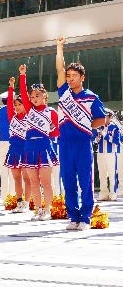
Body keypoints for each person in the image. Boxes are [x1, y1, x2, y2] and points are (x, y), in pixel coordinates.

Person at [56, 37, 107, 230]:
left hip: (83, 143)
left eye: (74, 76)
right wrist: (60, 47)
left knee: (85, 180)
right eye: (68, 75)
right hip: (65, 143)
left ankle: (85, 218)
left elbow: (101, 119)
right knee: (67, 180)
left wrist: (85, 126)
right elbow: (58, 69)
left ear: (82, 77)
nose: (70, 78)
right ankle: (73, 217)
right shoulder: (64, 94)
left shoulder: (91, 97)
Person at [18, 65, 58, 221]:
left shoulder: (52, 112)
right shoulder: (28, 109)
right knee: (33, 181)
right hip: (29, 147)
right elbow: (22, 91)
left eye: (37, 96)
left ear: (44, 96)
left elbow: (55, 132)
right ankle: (38, 209)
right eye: (32, 97)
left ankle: (48, 209)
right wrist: (22, 75)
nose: (34, 99)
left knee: (46, 182)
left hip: (44, 147)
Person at [4, 76, 31, 213]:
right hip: (14, 149)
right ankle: (19, 202)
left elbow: (26, 96)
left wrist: (21, 77)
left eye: (19, 104)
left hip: (25, 149)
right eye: (15, 105)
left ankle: (27, 203)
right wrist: (11, 87)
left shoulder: (29, 116)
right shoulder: (12, 117)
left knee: (27, 177)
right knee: (16, 178)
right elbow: (8, 103)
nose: (16, 107)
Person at [93, 109, 119, 201]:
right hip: (100, 153)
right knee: (102, 174)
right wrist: (98, 137)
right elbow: (94, 141)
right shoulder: (99, 127)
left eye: (106, 116)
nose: (104, 118)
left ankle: (113, 194)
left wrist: (106, 135)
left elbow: (117, 141)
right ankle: (103, 193)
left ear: (110, 117)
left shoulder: (115, 127)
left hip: (111, 153)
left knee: (112, 174)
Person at [0, 95, 14, 200]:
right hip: (13, 141)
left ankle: (4, 197)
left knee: (3, 170)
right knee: (13, 170)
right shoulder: (15, 110)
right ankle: (13, 195)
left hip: (2, 142)